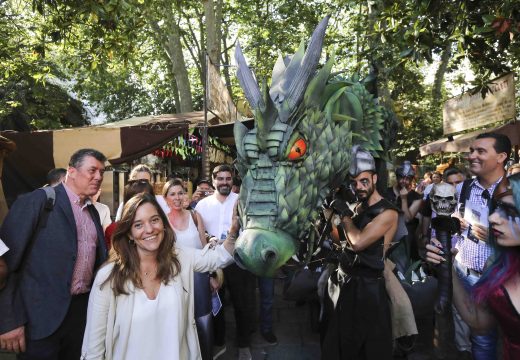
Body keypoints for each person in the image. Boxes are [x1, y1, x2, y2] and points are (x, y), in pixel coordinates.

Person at [81, 193, 237, 360]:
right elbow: (93, 347)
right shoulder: (109, 277)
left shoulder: (179, 258)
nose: (149, 229)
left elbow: (220, 257)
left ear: (163, 223)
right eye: (138, 225)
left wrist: (234, 232)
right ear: (128, 233)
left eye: (154, 220)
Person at [0, 148, 108, 359]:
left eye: (102, 172)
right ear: (72, 171)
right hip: (39, 320)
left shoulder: (93, 211)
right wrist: (8, 320)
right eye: (92, 170)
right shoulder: (38, 202)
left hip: (80, 317)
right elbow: (6, 266)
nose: (98, 177)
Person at [426, 172, 520, 360]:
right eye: (497, 208)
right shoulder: (496, 265)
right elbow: (479, 322)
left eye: (509, 211)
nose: (492, 218)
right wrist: (448, 266)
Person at [322, 146, 398, 360]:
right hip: (344, 283)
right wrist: (330, 216)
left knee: (366, 348)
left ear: (375, 177)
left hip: (367, 290)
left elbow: (358, 243)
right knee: (336, 345)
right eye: (354, 182)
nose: (359, 187)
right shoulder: (358, 207)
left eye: (364, 181)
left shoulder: (388, 212)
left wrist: (344, 214)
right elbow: (341, 240)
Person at [444, 133, 510, 359]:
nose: (472, 156)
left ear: (501, 156)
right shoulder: (463, 187)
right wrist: (456, 223)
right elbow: (456, 216)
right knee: (481, 338)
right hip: (468, 273)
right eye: (471, 150)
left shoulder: (515, 190)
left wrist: (497, 235)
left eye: (480, 151)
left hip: (505, 278)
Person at [195, 164, 256, 360]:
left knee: (242, 303)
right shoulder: (202, 205)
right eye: (220, 179)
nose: (224, 182)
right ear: (213, 181)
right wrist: (209, 237)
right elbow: (198, 231)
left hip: (239, 258)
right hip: (214, 261)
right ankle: (218, 343)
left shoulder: (241, 202)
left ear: (232, 180)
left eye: (228, 179)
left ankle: (244, 344)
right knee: (215, 305)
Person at [162, 178, 213, 360]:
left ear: (186, 195)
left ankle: (206, 355)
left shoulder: (194, 216)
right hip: (175, 277)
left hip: (199, 276)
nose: (177, 197)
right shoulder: (162, 223)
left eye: (180, 193)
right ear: (166, 198)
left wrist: (212, 275)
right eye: (172, 194)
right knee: (180, 320)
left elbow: (205, 248)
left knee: (203, 318)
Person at [386, 160, 423, 260]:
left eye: (408, 179)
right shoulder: (386, 192)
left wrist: (404, 199)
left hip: (407, 238)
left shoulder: (417, 197)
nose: (404, 181)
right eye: (402, 177)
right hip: (387, 234)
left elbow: (407, 219)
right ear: (397, 177)